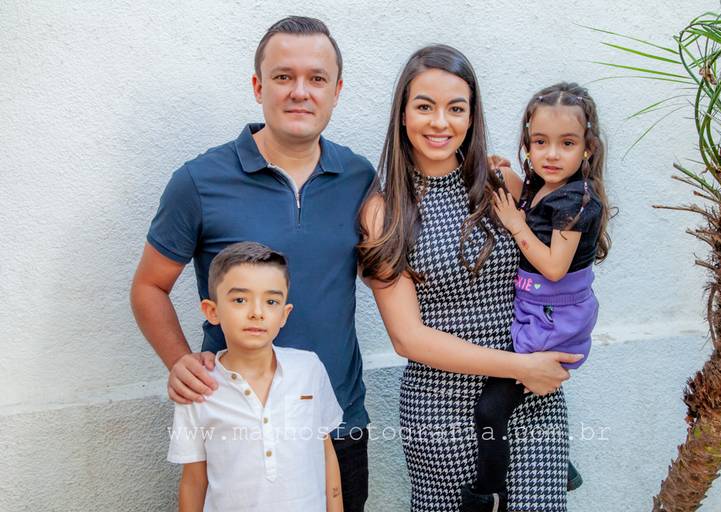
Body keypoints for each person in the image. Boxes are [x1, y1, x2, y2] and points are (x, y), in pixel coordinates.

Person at [130, 16, 375, 511]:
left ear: (337, 91)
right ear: (259, 86)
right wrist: (180, 361)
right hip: (235, 426)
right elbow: (148, 287)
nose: (300, 91)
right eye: (284, 76)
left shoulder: (358, 176)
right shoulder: (199, 181)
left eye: (317, 78)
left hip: (336, 421)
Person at [359, 45, 582, 512]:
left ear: (472, 115)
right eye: (425, 107)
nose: (440, 122)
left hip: (529, 399)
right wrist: (521, 366)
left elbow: (556, 269)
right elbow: (407, 338)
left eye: (456, 109)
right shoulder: (384, 212)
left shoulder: (505, 185)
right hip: (444, 411)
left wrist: (560, 346)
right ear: (403, 114)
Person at [463, 83, 611, 510]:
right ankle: (560, 465)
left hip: (554, 321)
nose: (552, 154)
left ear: (588, 148)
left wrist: (515, 226)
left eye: (567, 144)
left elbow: (553, 266)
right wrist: (498, 171)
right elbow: (519, 196)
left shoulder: (576, 201)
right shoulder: (541, 184)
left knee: (491, 410)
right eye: (540, 142)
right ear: (527, 143)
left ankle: (489, 494)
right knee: (520, 397)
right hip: (537, 311)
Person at [167, 241, 344, 511]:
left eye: (271, 302)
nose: (257, 313)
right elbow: (193, 482)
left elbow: (326, 453)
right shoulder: (198, 386)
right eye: (240, 300)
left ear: (284, 314)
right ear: (212, 311)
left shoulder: (309, 369)